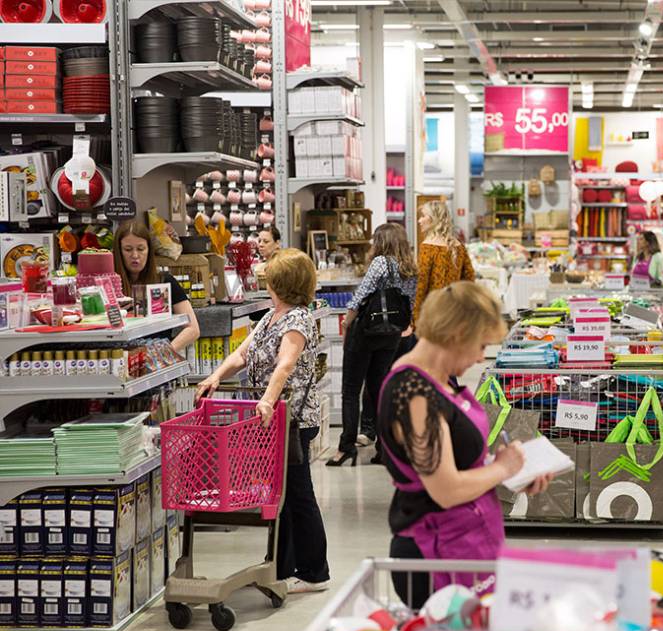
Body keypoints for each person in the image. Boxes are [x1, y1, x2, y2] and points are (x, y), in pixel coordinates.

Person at [378, 281, 553, 608]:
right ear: (458, 333)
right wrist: (502, 468)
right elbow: (446, 489)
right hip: (437, 554)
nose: (479, 357)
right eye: (480, 345)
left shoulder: (438, 379)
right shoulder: (414, 394)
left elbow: (455, 461)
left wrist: (512, 474)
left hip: (465, 543)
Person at [196, 248, 330, 594]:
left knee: (298, 495)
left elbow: (285, 364)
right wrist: (215, 376)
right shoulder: (271, 316)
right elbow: (242, 353)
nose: (264, 283)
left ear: (281, 284)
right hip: (272, 420)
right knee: (280, 497)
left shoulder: (297, 320)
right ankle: (282, 568)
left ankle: (315, 572)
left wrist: (268, 400)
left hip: (293, 417)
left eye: (269, 278)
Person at [330, 223, 418, 467]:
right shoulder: (411, 267)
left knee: (351, 389)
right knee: (379, 389)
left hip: (365, 332)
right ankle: (385, 448)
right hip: (390, 334)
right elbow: (409, 302)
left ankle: (346, 446)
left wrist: (347, 324)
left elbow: (361, 296)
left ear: (381, 242)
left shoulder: (380, 262)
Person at [113, 222, 200, 354]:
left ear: (149, 250)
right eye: (128, 249)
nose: (135, 255)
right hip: (120, 363)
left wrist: (162, 354)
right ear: (119, 252)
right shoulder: (109, 287)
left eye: (141, 249)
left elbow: (193, 329)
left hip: (157, 367)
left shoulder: (165, 282)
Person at [413, 200, 475, 324]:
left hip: (433, 313)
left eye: (423, 216)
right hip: (455, 310)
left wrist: (415, 319)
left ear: (434, 219)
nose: (419, 221)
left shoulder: (428, 247)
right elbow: (469, 278)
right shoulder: (458, 246)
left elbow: (421, 285)